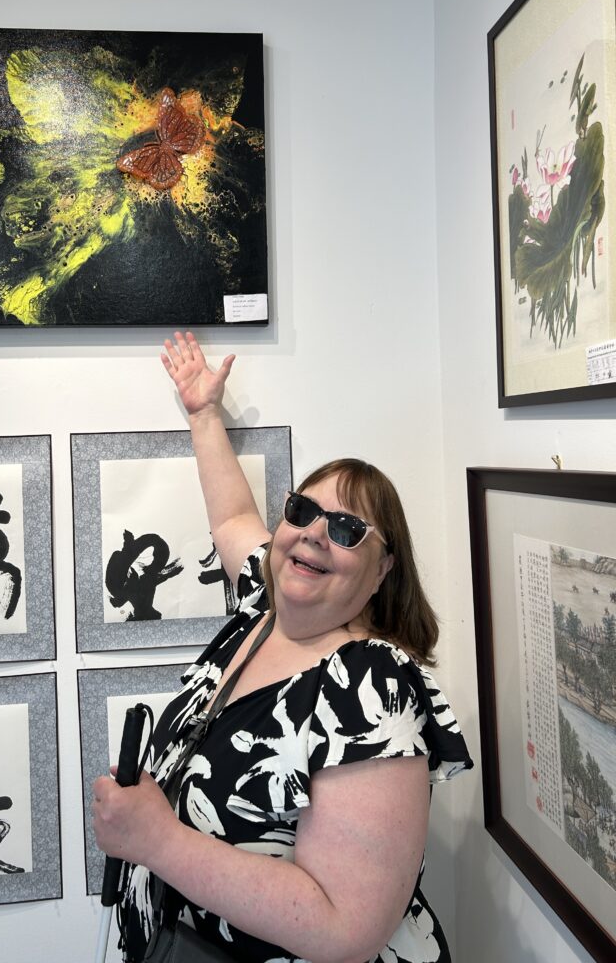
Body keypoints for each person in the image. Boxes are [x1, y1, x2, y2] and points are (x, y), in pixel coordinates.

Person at [92, 331, 472, 963]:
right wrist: (204, 412)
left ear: (382, 572)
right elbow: (231, 518)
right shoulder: (261, 607)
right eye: (302, 510)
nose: (314, 534)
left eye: (348, 529)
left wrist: (156, 841)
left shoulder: (371, 683)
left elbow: (346, 928)